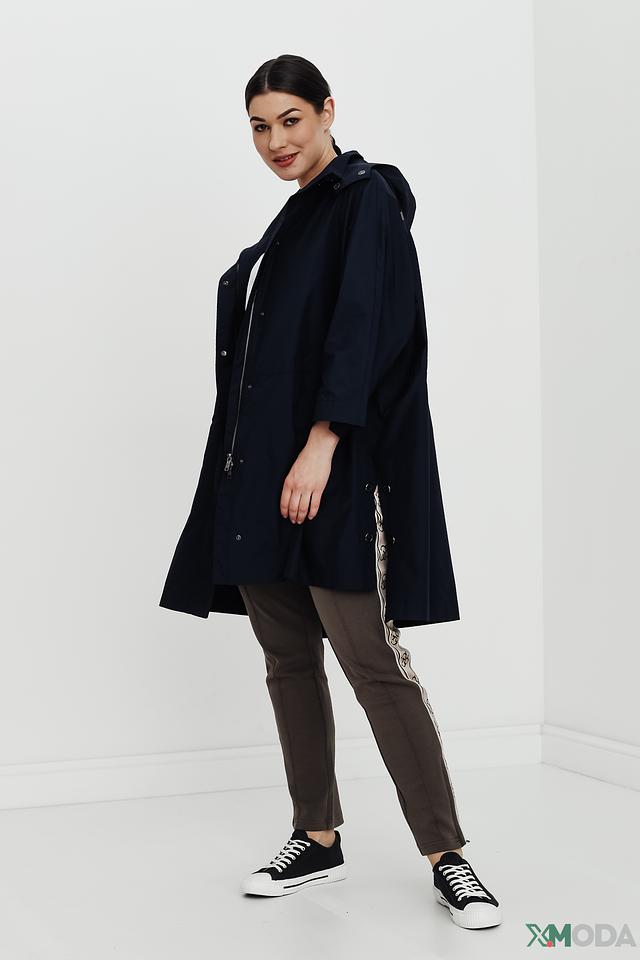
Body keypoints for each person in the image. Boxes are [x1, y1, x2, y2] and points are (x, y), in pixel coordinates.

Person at [159, 54, 501, 930]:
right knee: (286, 661)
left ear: (327, 112)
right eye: (259, 127)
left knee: (372, 661)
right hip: (258, 484)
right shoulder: (291, 222)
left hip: (331, 473)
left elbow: (364, 331)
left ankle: (447, 855)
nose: (276, 141)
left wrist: (322, 444)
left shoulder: (363, 200)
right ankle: (316, 835)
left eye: (291, 121)